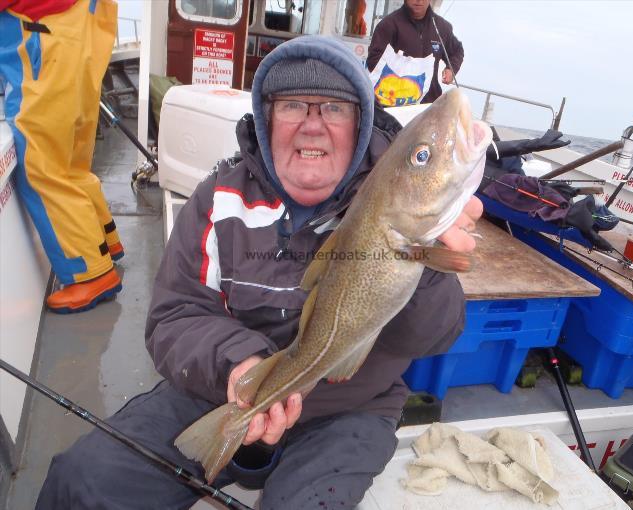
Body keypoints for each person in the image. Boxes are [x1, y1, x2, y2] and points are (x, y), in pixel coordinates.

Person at [36, 35, 482, 509]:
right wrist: (242, 367)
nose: (313, 126)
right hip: (226, 392)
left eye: (334, 108)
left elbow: (429, 340)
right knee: (82, 481)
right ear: (267, 118)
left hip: (349, 408)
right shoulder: (217, 200)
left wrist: (428, 264)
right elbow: (174, 316)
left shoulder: (407, 219)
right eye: (292, 105)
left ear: (361, 122)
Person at [0, 0, 123, 313]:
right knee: (71, 160)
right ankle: (105, 242)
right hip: (79, 22)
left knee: (42, 167)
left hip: (41, 31)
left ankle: (90, 272)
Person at [367, 0, 464, 103]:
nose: (419, 1)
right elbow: (373, 61)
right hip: (394, 101)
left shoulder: (442, 27)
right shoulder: (388, 24)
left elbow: (457, 50)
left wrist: (451, 69)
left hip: (428, 103)